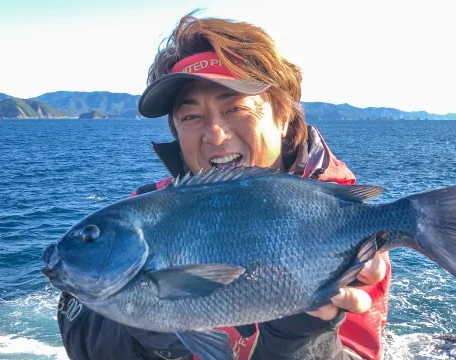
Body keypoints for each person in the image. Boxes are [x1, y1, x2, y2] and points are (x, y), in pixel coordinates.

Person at [56, 10, 392, 360]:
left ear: (283, 117)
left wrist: (301, 339)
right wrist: (147, 333)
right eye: (191, 116)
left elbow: (357, 352)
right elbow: (80, 325)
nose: (215, 133)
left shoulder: (344, 225)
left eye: (236, 108)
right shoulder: (139, 217)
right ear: (175, 129)